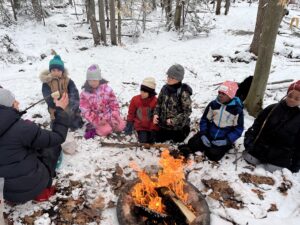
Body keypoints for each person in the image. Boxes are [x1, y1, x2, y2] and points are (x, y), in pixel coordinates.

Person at [0, 88, 69, 203]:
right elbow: (58, 137)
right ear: (8, 106)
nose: (17, 102)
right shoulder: (23, 129)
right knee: (52, 147)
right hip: (28, 187)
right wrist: (61, 110)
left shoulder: (19, 127)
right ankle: (43, 187)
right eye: (14, 101)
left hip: (5, 193)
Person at [243, 80, 300, 172]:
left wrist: (295, 164)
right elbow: (257, 125)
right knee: (249, 159)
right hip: (259, 149)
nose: (292, 99)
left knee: (272, 169)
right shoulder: (272, 108)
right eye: (290, 96)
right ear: (286, 95)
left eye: (297, 98)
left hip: (280, 155)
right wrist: (249, 141)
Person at [179, 81, 244, 161]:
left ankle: (221, 147)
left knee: (213, 155)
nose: (220, 95)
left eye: (223, 94)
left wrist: (227, 140)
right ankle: (204, 144)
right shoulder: (213, 105)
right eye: (219, 92)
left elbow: (238, 129)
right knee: (192, 143)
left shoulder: (237, 110)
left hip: (223, 138)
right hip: (209, 134)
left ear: (230, 96)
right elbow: (204, 120)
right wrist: (203, 134)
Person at [80, 64, 125, 137]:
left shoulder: (107, 89)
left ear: (99, 79)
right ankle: (92, 128)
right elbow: (86, 111)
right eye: (90, 81)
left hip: (109, 115)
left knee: (121, 126)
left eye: (95, 80)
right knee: (106, 131)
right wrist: (98, 120)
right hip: (97, 119)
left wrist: (115, 114)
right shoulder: (84, 94)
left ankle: (110, 124)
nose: (93, 83)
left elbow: (113, 102)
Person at [39, 54, 83, 130]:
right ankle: (57, 121)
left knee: (76, 124)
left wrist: (72, 104)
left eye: (58, 70)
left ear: (62, 71)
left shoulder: (68, 81)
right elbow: (47, 97)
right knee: (57, 126)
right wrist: (56, 106)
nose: (56, 72)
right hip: (55, 109)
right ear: (50, 71)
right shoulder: (47, 83)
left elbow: (74, 93)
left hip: (68, 107)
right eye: (53, 70)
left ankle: (73, 119)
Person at [153, 64, 192, 143]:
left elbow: (187, 111)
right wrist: (156, 114)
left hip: (177, 126)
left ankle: (185, 129)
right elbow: (159, 103)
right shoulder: (164, 88)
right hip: (164, 125)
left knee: (178, 140)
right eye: (168, 76)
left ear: (178, 79)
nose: (168, 79)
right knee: (156, 139)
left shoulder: (183, 92)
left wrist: (174, 120)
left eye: (172, 78)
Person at [124, 77, 159, 143]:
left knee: (153, 140)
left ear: (150, 93)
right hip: (141, 127)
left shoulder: (155, 102)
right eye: (141, 90)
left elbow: (155, 117)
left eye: (144, 92)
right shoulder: (135, 100)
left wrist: (153, 129)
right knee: (144, 141)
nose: (142, 93)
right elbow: (131, 113)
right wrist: (129, 124)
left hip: (151, 126)